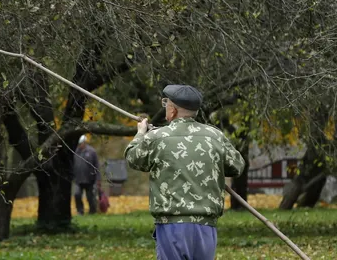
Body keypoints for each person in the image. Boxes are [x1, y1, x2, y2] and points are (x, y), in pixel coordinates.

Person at [125, 84, 245, 260]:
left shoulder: (157, 137)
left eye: (166, 103)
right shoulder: (215, 136)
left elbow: (132, 158)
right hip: (206, 226)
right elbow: (237, 165)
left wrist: (141, 134)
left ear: (172, 110)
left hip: (172, 224)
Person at [73, 135, 100, 215]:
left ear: (84, 142)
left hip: (90, 180)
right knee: (77, 195)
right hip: (78, 179)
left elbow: (96, 166)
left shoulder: (92, 152)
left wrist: (98, 179)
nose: (80, 145)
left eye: (81, 143)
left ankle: (92, 211)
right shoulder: (75, 151)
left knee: (90, 197)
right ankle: (80, 211)